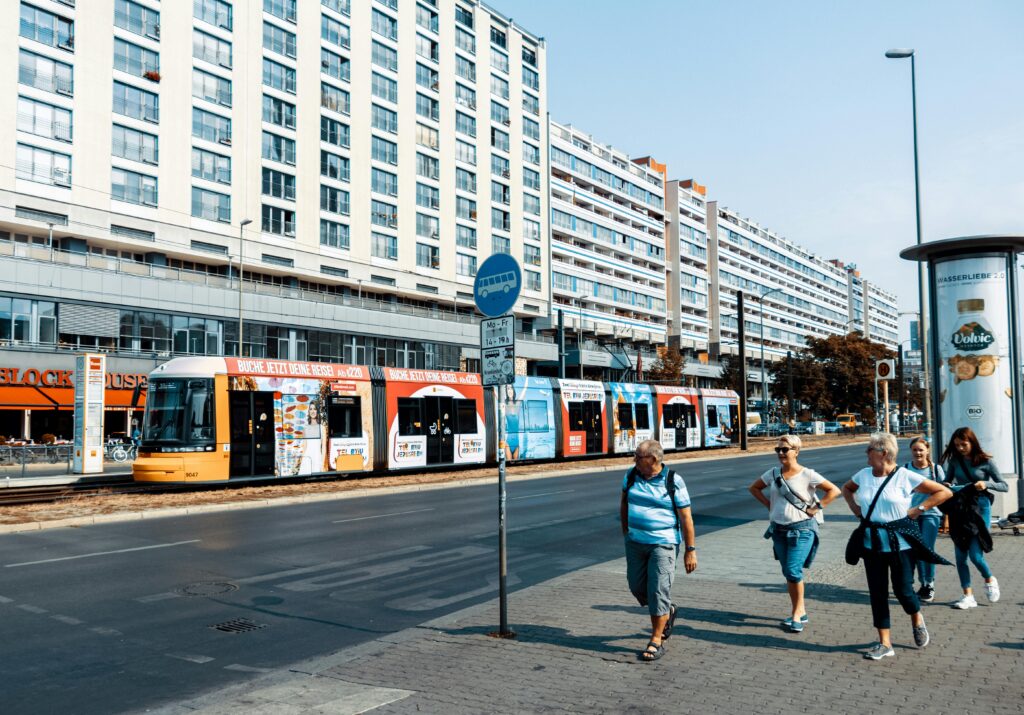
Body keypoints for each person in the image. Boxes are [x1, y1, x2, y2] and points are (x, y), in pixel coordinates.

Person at [841, 432, 952, 660]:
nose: (866, 453)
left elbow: (944, 491)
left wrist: (919, 509)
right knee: (877, 593)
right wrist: (855, 509)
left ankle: (917, 618)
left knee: (903, 590)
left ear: (884, 453)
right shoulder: (863, 475)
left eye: (869, 449)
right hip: (872, 544)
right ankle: (885, 643)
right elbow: (846, 489)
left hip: (900, 545)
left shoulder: (905, 476)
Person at [748, 434, 841, 632]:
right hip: (778, 530)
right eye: (778, 450)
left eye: (785, 449)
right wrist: (768, 505)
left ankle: (797, 614)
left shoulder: (807, 474)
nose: (781, 453)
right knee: (789, 573)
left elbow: (834, 490)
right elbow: (754, 488)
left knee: (792, 570)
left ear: (796, 451)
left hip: (803, 529)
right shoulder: (773, 473)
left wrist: (817, 507)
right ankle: (801, 610)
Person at [620, 439, 697, 662]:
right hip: (635, 542)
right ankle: (667, 610)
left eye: (638, 456)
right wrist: (626, 532)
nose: (634, 460)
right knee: (636, 587)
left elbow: (686, 517)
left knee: (657, 591)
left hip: (663, 544)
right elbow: (624, 502)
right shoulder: (632, 474)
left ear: (653, 460)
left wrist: (690, 549)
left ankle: (656, 639)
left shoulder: (673, 481)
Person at [939, 426, 1007, 609]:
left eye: (964, 444)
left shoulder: (985, 462)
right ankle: (967, 595)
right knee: (960, 556)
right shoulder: (954, 461)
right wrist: (945, 484)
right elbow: (948, 480)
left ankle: (989, 578)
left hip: (979, 508)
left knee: (976, 555)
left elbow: (1004, 485)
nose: (960, 448)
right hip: (960, 508)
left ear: (972, 442)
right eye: (957, 445)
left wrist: (985, 484)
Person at [903, 436, 945, 602]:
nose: (918, 452)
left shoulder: (936, 470)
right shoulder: (905, 469)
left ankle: (929, 584)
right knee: (913, 550)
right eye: (915, 450)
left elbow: (945, 491)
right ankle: (921, 584)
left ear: (927, 451)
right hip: (911, 515)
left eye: (921, 449)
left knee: (926, 549)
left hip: (931, 514)